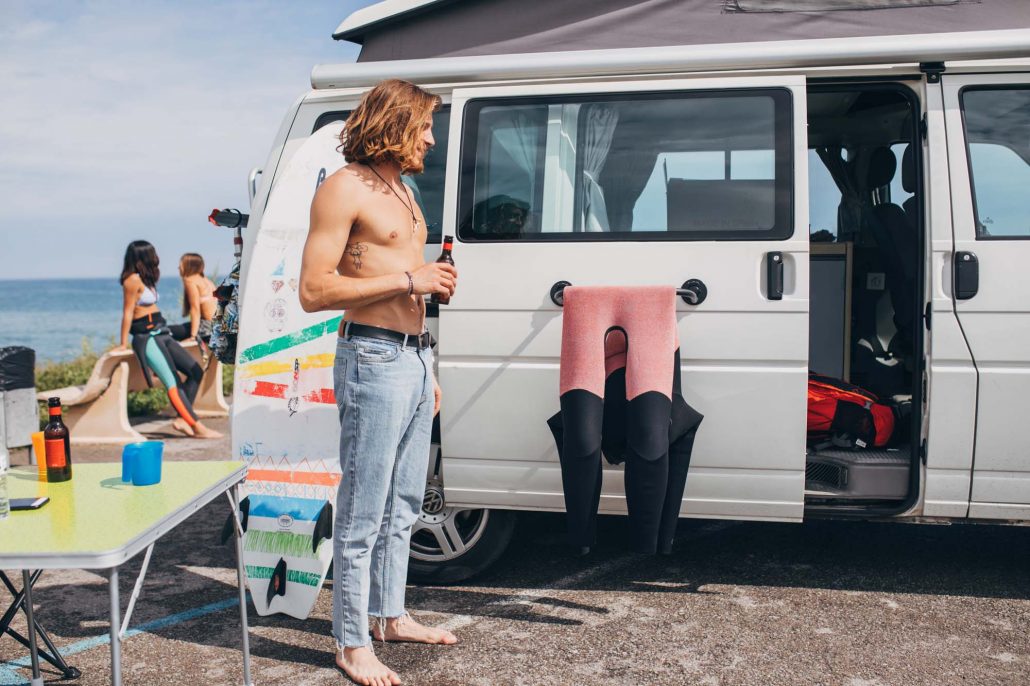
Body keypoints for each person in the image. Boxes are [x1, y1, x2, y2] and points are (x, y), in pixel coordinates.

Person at [299, 79, 458, 686]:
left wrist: (428, 365)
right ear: (394, 123)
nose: (431, 139)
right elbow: (314, 290)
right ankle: (351, 642)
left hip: (413, 358)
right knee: (363, 512)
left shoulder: (405, 191)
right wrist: (410, 282)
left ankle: (390, 616)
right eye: (424, 125)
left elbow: (409, 279)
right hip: (371, 356)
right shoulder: (343, 188)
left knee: (405, 504)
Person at [115, 241, 222, 439]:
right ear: (142, 257)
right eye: (152, 254)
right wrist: (123, 343)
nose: (156, 257)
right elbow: (128, 313)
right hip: (147, 337)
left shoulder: (144, 279)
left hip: (162, 332)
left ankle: (182, 419)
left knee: (195, 371)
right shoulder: (131, 280)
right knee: (172, 381)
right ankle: (198, 427)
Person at [175, 252, 218, 357]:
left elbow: (195, 310)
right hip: (216, 326)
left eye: (180, 265)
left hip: (206, 328)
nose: (178, 268)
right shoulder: (206, 281)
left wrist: (193, 336)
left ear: (189, 266)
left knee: (166, 332)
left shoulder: (190, 280)